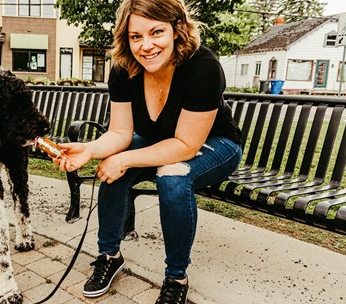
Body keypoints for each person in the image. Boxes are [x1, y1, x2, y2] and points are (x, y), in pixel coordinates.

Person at [52, 0, 243, 303]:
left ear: (177, 29)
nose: (147, 46)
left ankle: (176, 278)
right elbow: (119, 133)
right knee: (112, 167)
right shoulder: (123, 70)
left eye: (156, 32)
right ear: (126, 39)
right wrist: (89, 149)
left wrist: (124, 158)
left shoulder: (203, 67)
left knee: (173, 176)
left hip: (216, 144)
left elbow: (185, 146)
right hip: (162, 141)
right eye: (136, 36)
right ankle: (110, 256)